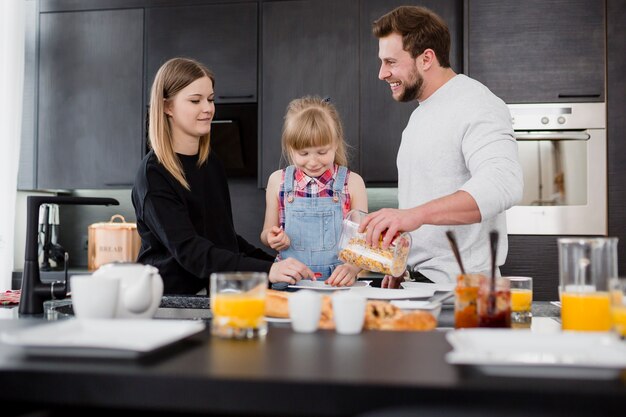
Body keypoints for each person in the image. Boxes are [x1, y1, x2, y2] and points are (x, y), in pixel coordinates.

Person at [360, 6, 523, 287]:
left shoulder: (476, 103)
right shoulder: (419, 116)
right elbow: (423, 214)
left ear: (426, 58)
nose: (382, 74)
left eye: (391, 62)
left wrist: (413, 216)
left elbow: (503, 183)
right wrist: (402, 262)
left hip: (463, 291)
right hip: (424, 285)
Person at [132, 58, 314, 294]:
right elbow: (192, 253)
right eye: (195, 100)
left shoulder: (210, 164)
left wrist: (278, 266)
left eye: (210, 99)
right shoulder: (154, 174)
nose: (208, 108)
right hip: (167, 304)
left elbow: (224, 240)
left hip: (212, 298)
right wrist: (266, 270)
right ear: (167, 107)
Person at [261, 96, 368, 287]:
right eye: (303, 153)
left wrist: (352, 269)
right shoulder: (278, 181)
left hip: (337, 283)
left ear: (335, 143)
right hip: (290, 282)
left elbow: (362, 243)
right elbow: (267, 232)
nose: (313, 161)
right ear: (290, 148)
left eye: (322, 152)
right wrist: (273, 237)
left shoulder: (352, 183)